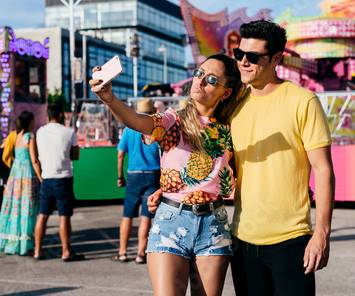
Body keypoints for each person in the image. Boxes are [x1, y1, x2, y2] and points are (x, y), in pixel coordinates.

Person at [90, 53, 245, 296]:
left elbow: (222, 177)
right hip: (171, 221)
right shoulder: (175, 120)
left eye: (212, 79)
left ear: (226, 92)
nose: (200, 81)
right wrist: (109, 98)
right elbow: (138, 121)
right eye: (199, 73)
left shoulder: (231, 129)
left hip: (214, 224)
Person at [225, 20, 335, 295]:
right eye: (240, 54)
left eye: (253, 57)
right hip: (242, 241)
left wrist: (321, 233)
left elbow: (323, 169)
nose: (243, 62)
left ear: (276, 58)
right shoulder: (233, 104)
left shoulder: (303, 101)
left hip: (291, 240)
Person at [110, 98, 161, 264]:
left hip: (133, 175)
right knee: (146, 217)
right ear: (153, 112)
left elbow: (120, 154)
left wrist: (120, 176)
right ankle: (140, 253)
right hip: (153, 174)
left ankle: (123, 252)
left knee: (127, 215)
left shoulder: (128, 129)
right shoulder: (156, 129)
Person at [33, 102, 83, 261]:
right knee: (64, 216)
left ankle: (37, 251)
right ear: (61, 114)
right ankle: (66, 252)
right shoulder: (69, 132)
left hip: (46, 178)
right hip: (64, 179)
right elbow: (75, 156)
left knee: (42, 215)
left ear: (48, 115)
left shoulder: (40, 132)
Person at [0, 111, 42, 256]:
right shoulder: (29, 137)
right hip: (26, 175)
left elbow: (13, 155)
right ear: (30, 121)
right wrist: (40, 177)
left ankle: (11, 241)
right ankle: (25, 244)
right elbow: (34, 160)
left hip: (15, 175)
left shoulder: (16, 136)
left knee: (14, 206)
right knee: (27, 207)